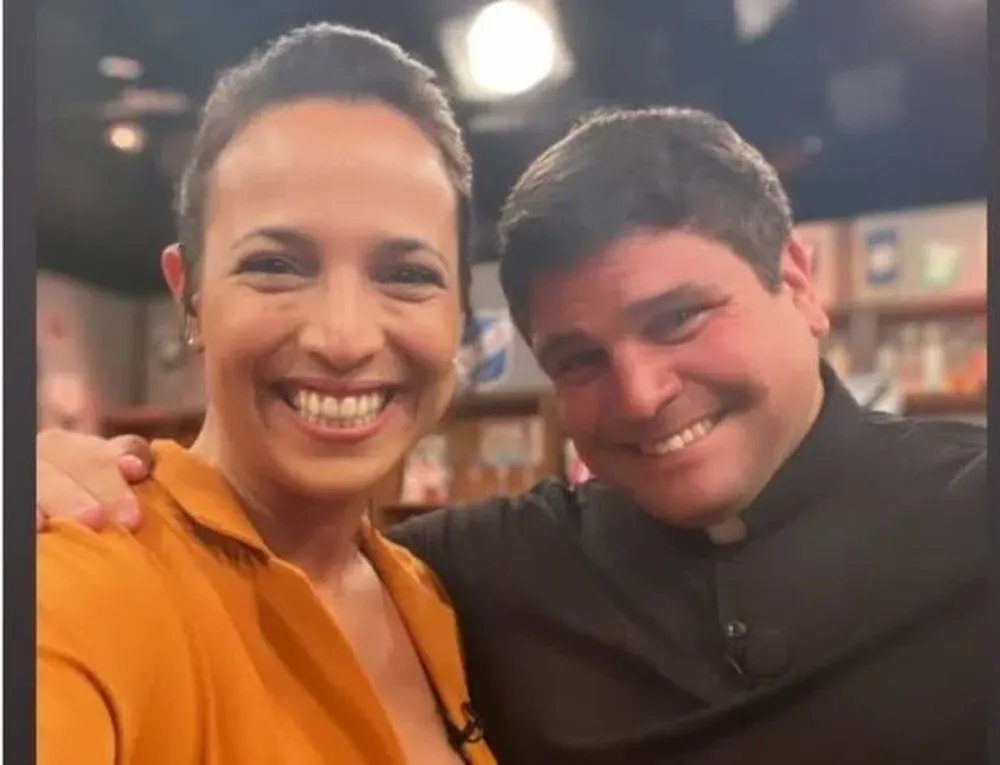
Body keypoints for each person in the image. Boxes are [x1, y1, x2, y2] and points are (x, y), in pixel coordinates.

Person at [37, 107, 988, 764]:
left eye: (679, 318)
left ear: (799, 281)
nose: (642, 393)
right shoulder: (472, 572)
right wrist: (54, 478)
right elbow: (253, 556)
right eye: (578, 359)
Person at [35, 22, 498, 765]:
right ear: (189, 297)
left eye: (408, 274)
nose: (343, 337)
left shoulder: (426, 597)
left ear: (460, 313)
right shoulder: (78, 580)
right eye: (276, 265)